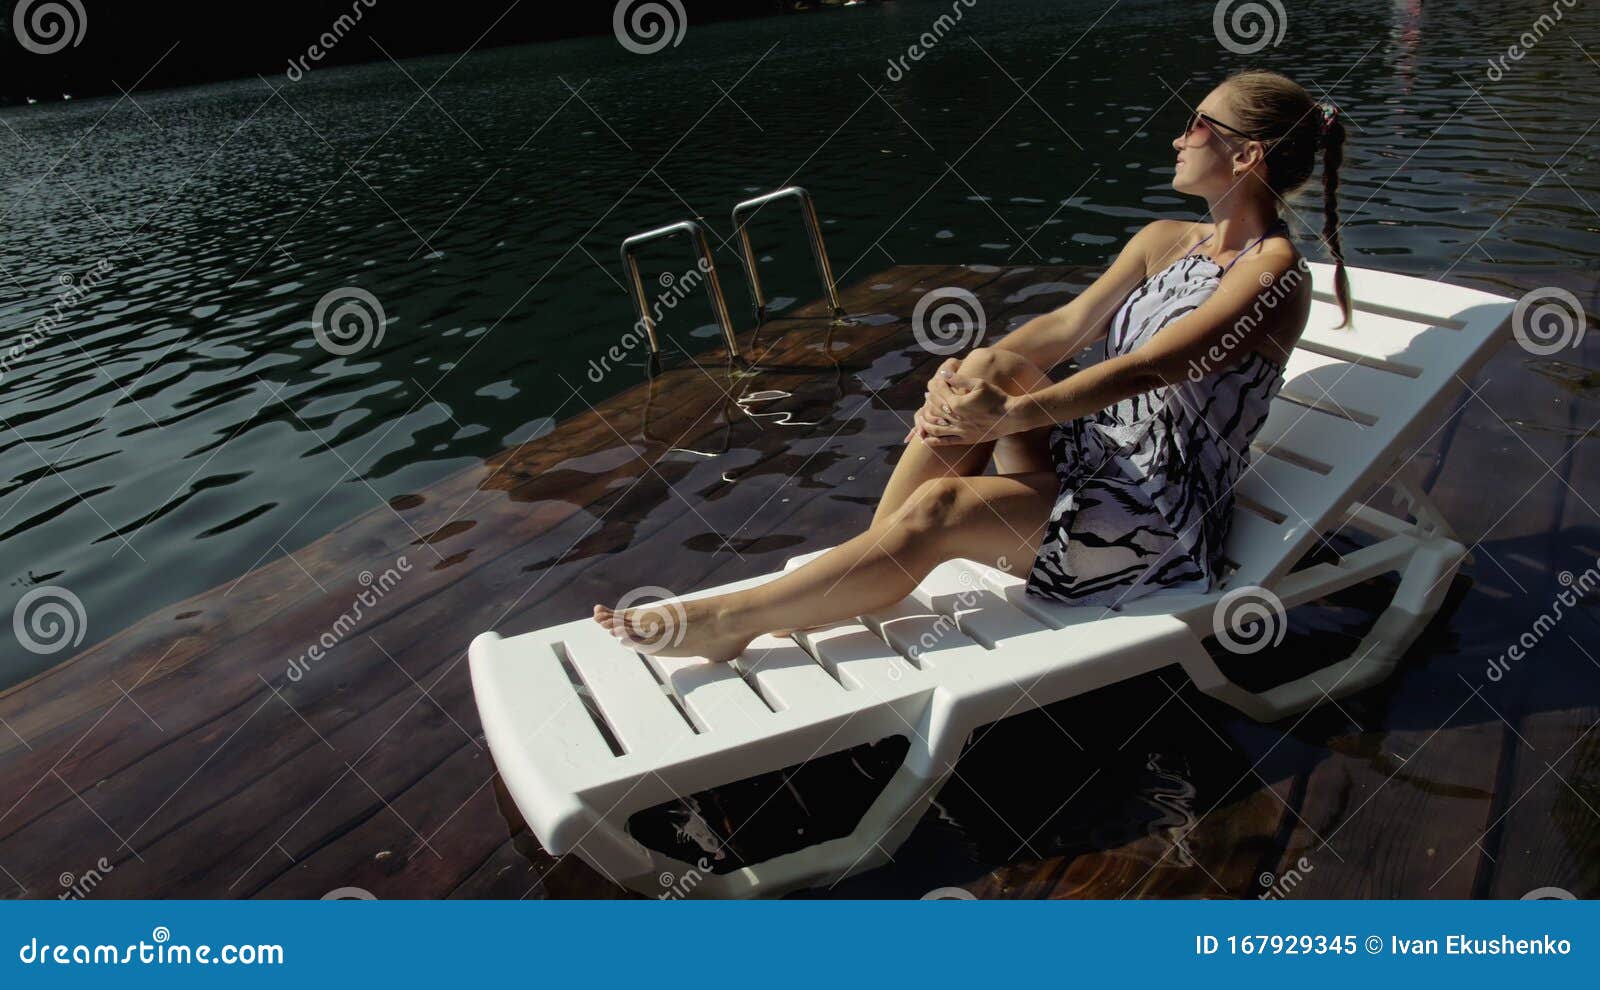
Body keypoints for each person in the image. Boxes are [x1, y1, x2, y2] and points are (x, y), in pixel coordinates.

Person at [595, 69, 1350, 663]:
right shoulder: (1164, 241)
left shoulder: (1274, 274)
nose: (1178, 136)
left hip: (1154, 515)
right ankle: (876, 556)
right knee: (988, 363)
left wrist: (1011, 416)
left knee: (944, 508)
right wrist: (963, 383)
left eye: (1197, 124)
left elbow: (1153, 367)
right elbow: (1063, 326)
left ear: (1246, 154)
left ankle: (735, 620)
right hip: (1095, 455)